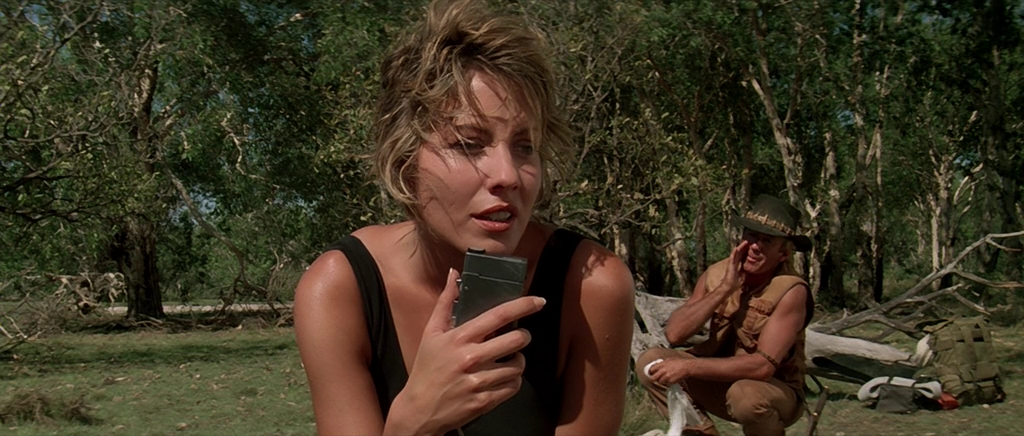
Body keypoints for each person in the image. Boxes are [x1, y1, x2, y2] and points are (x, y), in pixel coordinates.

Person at [293, 1, 636, 435]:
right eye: (469, 144)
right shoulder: (340, 290)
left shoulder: (591, 288)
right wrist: (413, 423)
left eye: (525, 146)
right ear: (404, 159)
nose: (508, 175)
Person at [635, 194, 815, 436]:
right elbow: (675, 334)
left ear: (782, 254)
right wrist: (724, 289)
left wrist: (689, 367)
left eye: (767, 241)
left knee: (746, 396)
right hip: (719, 381)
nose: (755, 246)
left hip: (774, 391)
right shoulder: (718, 273)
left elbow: (762, 367)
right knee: (651, 362)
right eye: (752, 235)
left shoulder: (791, 291)